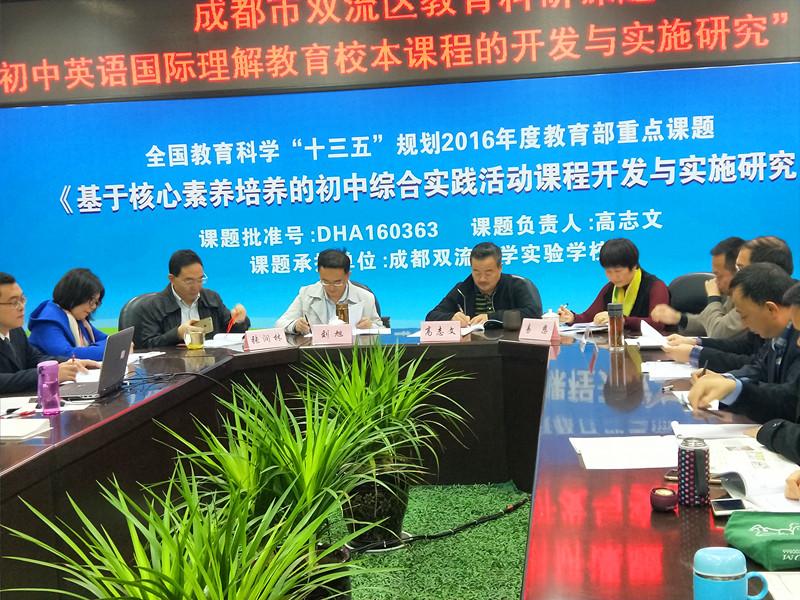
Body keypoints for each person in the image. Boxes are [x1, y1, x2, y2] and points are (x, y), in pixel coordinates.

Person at [687, 265, 800, 424]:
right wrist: (725, 380)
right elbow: (759, 369)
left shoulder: (795, 338)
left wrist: (735, 390)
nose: (744, 324)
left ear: (771, 309)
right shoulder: (779, 334)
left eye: (744, 316)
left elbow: (791, 401)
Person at [0, 272, 98, 394]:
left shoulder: (15, 331)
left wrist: (69, 363)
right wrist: (50, 374)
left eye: (22, 299)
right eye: (14, 302)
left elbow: (35, 358)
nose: (22, 307)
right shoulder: (47, 319)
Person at [136, 250, 250, 348]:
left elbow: (230, 334)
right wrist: (177, 334)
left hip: (214, 363)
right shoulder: (153, 306)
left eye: (200, 279)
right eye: (189, 281)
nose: (196, 286)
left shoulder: (212, 299)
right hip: (174, 365)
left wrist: (239, 321)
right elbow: (146, 346)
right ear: (172, 279)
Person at [558, 238, 668, 331]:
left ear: (634, 266)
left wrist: (621, 319)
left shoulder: (655, 286)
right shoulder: (610, 288)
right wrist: (572, 318)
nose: (613, 277)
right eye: (608, 272)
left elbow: (658, 323)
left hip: (652, 349)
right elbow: (589, 317)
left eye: (618, 271)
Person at [425, 242, 542, 327]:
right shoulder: (463, 289)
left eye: (488, 273)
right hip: (474, 348)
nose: (482, 279)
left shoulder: (518, 285)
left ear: (500, 268)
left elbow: (534, 313)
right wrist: (450, 318)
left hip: (511, 347)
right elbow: (431, 316)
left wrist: (490, 318)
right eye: (476, 272)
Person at [650, 237, 745, 338]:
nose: (715, 281)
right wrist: (679, 318)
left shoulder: (748, 298)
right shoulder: (732, 295)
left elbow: (718, 332)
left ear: (738, 272)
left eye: (718, 275)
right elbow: (710, 323)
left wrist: (713, 298)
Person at [276, 249, 382, 334]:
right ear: (319, 274)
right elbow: (280, 324)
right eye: (325, 282)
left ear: (348, 275)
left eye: (337, 282)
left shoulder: (365, 297)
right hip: (316, 351)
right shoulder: (306, 294)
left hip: (353, 351)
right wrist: (295, 325)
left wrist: (370, 327)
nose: (331, 288)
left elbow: (381, 329)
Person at [28, 268, 108, 361]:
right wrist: (102, 349)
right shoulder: (47, 322)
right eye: (91, 301)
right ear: (75, 295)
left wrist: (92, 349)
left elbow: (108, 340)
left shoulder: (77, 317)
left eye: (96, 302)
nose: (94, 306)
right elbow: (67, 355)